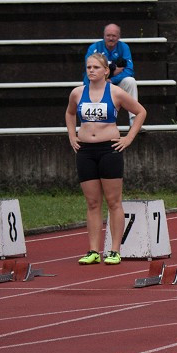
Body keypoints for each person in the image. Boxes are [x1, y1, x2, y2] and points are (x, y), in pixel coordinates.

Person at [66, 53, 147, 265]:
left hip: (109, 149)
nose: (91, 70)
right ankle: (93, 250)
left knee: (113, 201)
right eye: (88, 67)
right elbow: (69, 113)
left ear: (106, 71)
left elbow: (140, 112)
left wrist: (128, 138)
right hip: (85, 151)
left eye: (95, 67)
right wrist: (72, 135)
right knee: (92, 202)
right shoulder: (77, 93)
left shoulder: (116, 93)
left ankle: (114, 250)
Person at [84, 24, 138, 122]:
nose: (111, 38)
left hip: (115, 83)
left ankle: (134, 121)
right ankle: (93, 122)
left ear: (119, 37)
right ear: (104, 36)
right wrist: (109, 74)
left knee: (131, 81)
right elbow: (90, 70)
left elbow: (129, 70)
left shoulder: (124, 47)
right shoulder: (94, 47)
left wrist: (111, 80)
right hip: (97, 84)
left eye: (114, 36)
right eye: (108, 35)